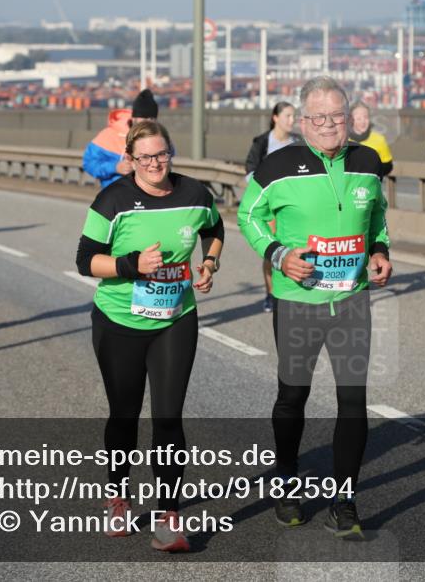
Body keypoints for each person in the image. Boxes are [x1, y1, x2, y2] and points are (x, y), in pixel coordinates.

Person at [238, 76, 392, 541]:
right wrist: (279, 255)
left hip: (351, 299)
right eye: (319, 118)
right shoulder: (277, 166)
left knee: (353, 401)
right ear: (303, 122)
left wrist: (380, 250)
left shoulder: (367, 162)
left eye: (338, 117)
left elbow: (377, 215)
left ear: (350, 120)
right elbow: (248, 216)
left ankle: (344, 500)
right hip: (297, 302)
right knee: (293, 397)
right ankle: (286, 478)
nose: (329, 126)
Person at [75, 119, 224, 552]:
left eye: (161, 154)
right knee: (125, 415)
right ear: (131, 160)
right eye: (145, 157)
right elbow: (85, 259)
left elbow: (214, 229)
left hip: (175, 319)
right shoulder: (113, 200)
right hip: (119, 321)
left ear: (170, 152)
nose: (155, 163)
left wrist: (209, 263)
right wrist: (131, 265)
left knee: (168, 418)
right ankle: (118, 495)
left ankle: (168, 516)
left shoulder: (195, 194)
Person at [243, 101, 300, 313]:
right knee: (273, 250)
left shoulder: (298, 143)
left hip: (293, 206)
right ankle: (271, 293)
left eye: (294, 116)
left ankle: (294, 291)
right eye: (287, 116)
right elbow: (250, 168)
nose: (291, 121)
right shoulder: (262, 143)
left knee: (296, 247)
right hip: (270, 206)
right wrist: (262, 193)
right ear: (275, 117)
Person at [82, 90, 158, 188]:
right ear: (134, 117)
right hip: (115, 196)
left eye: (152, 118)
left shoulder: (160, 137)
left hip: (148, 197)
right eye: (143, 118)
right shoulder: (109, 134)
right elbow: (89, 163)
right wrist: (115, 167)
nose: (148, 122)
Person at [348, 101, 393, 180]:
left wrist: (371, 171)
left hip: (372, 187)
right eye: (359, 118)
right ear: (351, 120)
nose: (363, 122)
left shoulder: (379, 139)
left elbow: (388, 166)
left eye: (366, 117)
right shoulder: (343, 141)